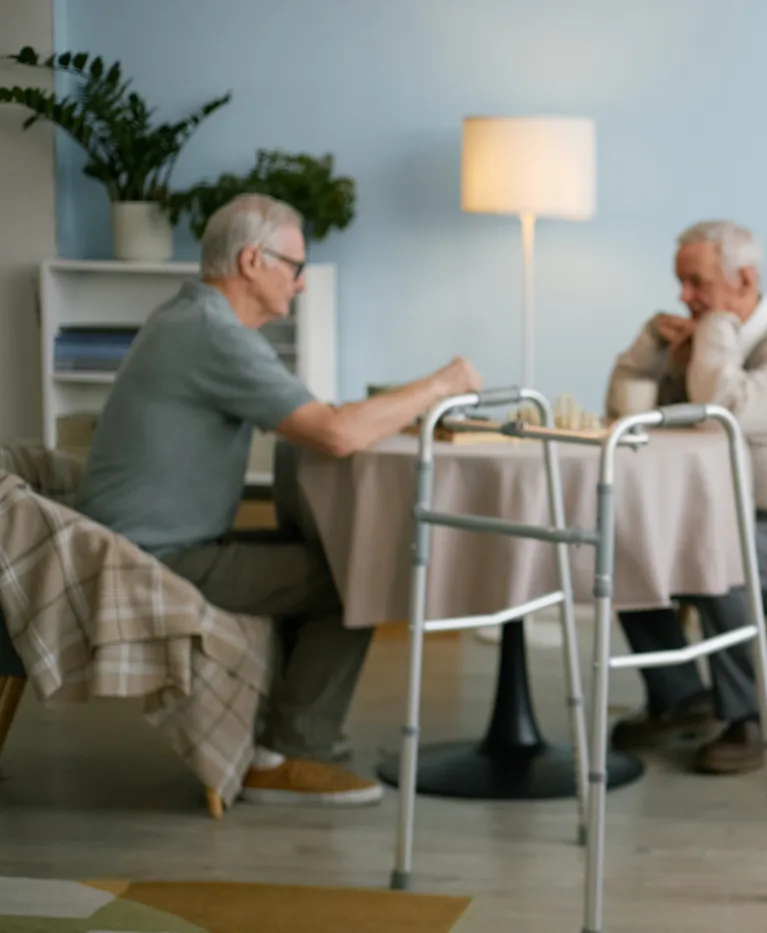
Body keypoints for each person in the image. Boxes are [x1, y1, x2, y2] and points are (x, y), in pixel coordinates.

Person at [75, 194, 483, 806]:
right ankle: (289, 753)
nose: (301, 284)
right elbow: (336, 432)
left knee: (321, 559)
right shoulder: (215, 334)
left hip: (141, 544)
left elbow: (314, 421)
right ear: (251, 261)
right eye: (294, 266)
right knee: (354, 576)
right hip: (149, 561)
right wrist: (442, 385)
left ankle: (285, 734)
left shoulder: (190, 320)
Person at [603, 220, 767, 774]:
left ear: (745, 279)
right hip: (724, 518)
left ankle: (749, 717)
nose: (684, 297)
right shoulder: (696, 346)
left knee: (718, 555)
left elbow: (723, 414)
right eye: (681, 284)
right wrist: (649, 349)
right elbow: (625, 413)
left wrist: (712, 333)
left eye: (696, 283)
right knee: (627, 543)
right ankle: (680, 698)